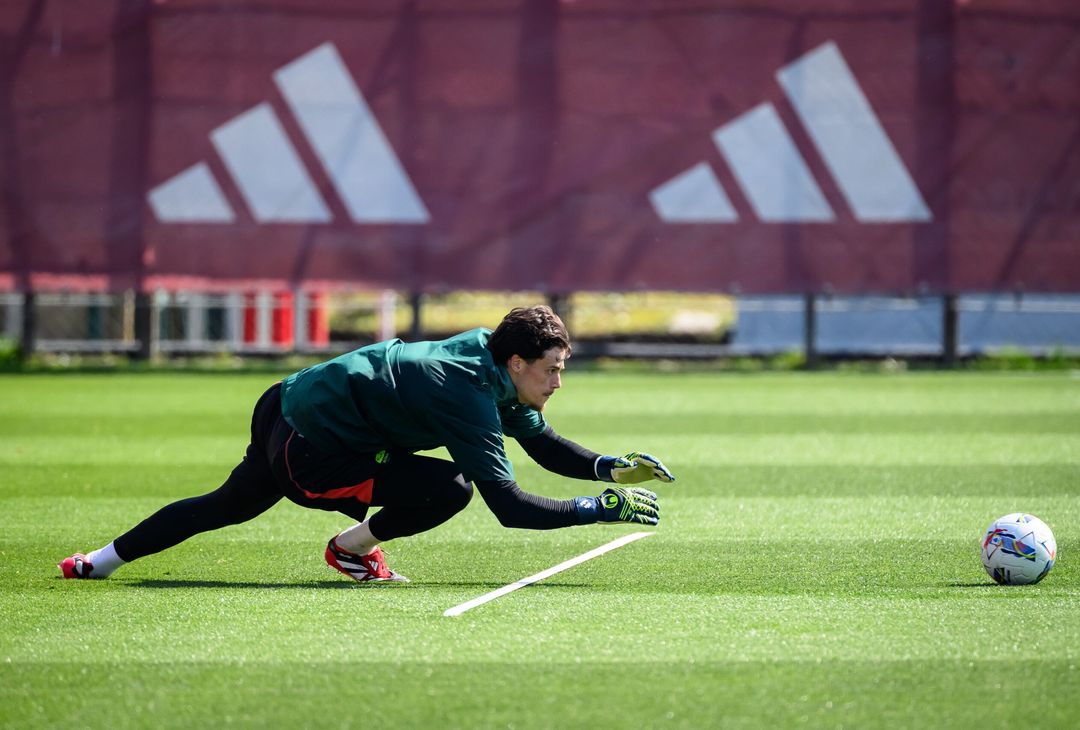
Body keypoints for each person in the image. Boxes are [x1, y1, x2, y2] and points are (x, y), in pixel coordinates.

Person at [59, 305, 675, 583]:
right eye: (552, 371)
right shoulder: (463, 392)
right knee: (450, 487)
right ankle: (352, 551)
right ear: (516, 362)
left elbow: (543, 445)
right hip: (313, 452)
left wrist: (609, 470)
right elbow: (510, 509)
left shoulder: (490, 353)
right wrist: (596, 508)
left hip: (285, 403)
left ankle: (97, 562)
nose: (559, 382)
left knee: (227, 504)